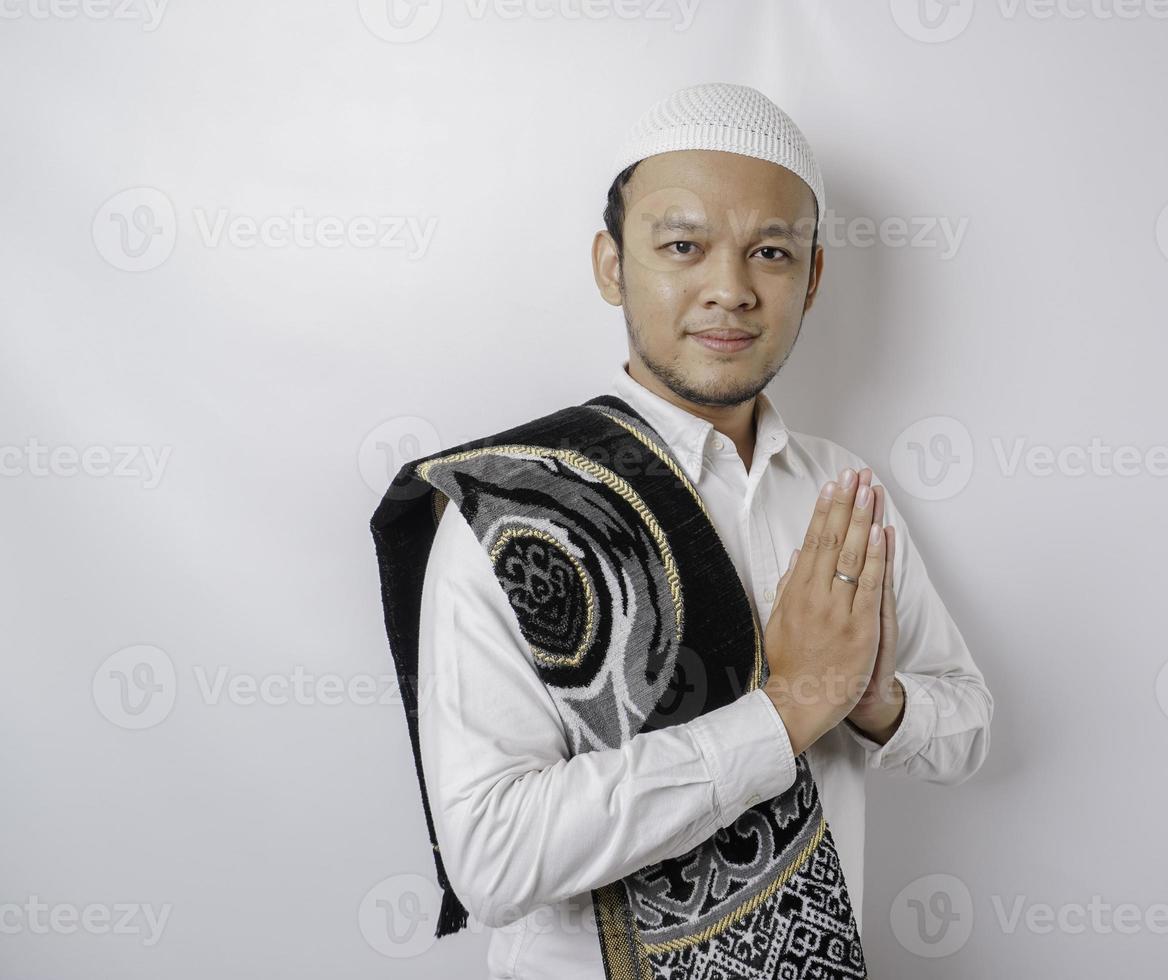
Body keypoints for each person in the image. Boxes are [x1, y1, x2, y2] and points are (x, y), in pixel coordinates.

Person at [377, 81, 994, 979]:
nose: (731, 290)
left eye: (771, 252)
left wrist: (870, 700)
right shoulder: (512, 512)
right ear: (612, 265)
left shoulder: (842, 496)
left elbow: (970, 731)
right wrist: (787, 710)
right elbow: (493, 860)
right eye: (682, 246)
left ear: (812, 278)